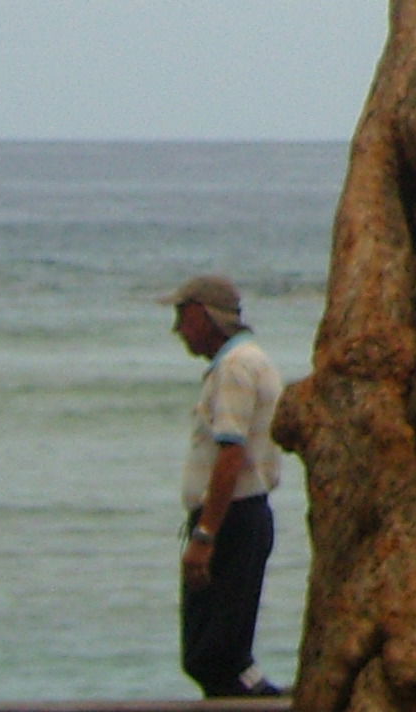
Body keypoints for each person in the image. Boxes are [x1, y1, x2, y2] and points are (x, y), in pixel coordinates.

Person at [163, 272, 284, 700]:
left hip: (231, 518)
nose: (177, 329)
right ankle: (259, 691)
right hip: (239, 516)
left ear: (202, 316)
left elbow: (230, 456)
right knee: (218, 650)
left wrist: (205, 536)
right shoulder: (245, 361)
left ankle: (260, 698)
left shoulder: (235, 369)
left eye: (182, 316)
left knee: (211, 653)